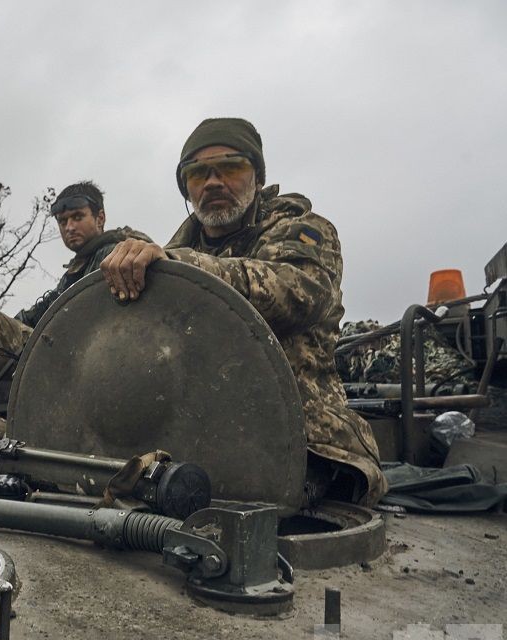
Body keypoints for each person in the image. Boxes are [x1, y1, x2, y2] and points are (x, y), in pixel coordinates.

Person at [99, 117, 387, 506]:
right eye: (198, 173)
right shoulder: (174, 253)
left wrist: (181, 268)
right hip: (191, 433)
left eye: (231, 167)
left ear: (259, 177)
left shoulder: (303, 230)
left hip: (302, 437)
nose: (213, 181)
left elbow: (299, 293)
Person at [0, 181, 151, 430]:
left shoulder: (115, 255)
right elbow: (34, 316)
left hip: (89, 369)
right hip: (63, 365)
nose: (69, 227)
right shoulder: (77, 270)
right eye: (63, 222)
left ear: (100, 218)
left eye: (77, 217)